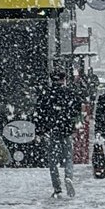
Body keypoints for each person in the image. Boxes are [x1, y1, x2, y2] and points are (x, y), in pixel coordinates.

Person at [33, 70, 81, 198]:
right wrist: (74, 126)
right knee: (68, 157)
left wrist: (39, 131)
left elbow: (39, 113)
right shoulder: (70, 94)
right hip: (66, 130)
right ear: (64, 79)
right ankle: (68, 176)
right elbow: (77, 110)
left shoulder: (46, 94)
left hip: (52, 130)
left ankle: (57, 188)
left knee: (53, 161)